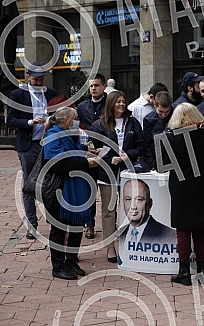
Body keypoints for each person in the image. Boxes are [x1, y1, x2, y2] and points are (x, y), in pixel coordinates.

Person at [161, 103, 204, 285]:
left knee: (183, 229)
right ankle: (202, 270)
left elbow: (162, 163)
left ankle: (184, 272)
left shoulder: (171, 139)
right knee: (199, 228)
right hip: (202, 185)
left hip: (181, 187)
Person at [42, 107, 99, 280]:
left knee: (76, 227)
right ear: (66, 120)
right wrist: (84, 163)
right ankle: (57, 266)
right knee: (58, 229)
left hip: (76, 188)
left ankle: (71, 261)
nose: (77, 121)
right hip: (60, 189)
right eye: (75, 118)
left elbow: (71, 155)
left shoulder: (69, 135)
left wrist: (85, 151)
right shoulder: (53, 135)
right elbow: (57, 164)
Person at [90, 91, 145, 263]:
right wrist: (108, 158)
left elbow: (142, 146)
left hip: (128, 171)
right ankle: (110, 247)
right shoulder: (99, 125)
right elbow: (93, 150)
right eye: (118, 102)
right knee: (109, 211)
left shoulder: (133, 122)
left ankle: (128, 243)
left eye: (123, 101)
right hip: (107, 173)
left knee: (128, 209)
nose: (121, 104)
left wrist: (129, 154)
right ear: (111, 104)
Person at [7, 62, 57, 239]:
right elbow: (10, 121)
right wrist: (30, 122)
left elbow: (59, 115)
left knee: (51, 182)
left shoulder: (51, 93)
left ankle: (53, 222)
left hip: (48, 144)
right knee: (29, 185)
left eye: (41, 79)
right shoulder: (18, 94)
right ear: (28, 77)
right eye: (36, 79)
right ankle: (32, 224)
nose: (39, 82)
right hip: (28, 145)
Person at [75, 73, 107, 238]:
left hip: (108, 153)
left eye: (97, 85)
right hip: (88, 154)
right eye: (91, 85)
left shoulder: (111, 103)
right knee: (89, 191)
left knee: (110, 192)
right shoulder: (82, 107)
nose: (93, 88)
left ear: (104, 86)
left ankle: (111, 224)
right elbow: (78, 129)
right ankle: (90, 224)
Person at [120, 179, 176, 245]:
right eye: (128, 199)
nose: (133, 207)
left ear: (150, 203)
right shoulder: (121, 232)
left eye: (139, 200)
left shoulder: (168, 235)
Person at [143, 91, 173, 170]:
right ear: (155, 104)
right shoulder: (148, 119)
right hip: (155, 158)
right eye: (161, 112)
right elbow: (146, 144)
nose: (163, 115)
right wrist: (151, 163)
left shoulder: (175, 115)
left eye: (167, 112)